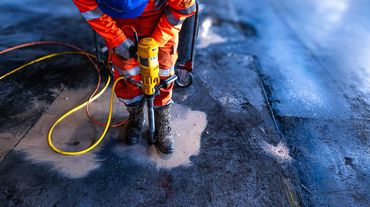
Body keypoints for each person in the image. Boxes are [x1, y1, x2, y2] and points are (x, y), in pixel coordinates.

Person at [72, 0, 196, 154]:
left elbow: (182, 10)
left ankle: (162, 117)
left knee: (163, 72)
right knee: (127, 74)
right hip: (119, 27)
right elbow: (92, 12)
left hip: (161, 24)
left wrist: (156, 42)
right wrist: (118, 40)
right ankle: (135, 115)